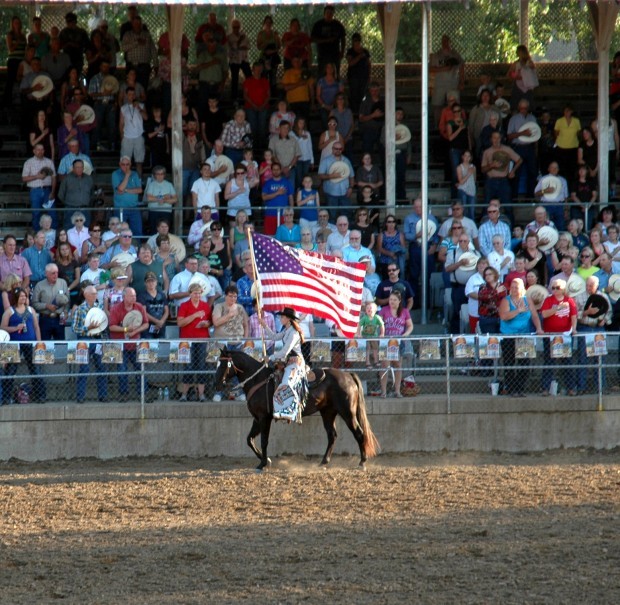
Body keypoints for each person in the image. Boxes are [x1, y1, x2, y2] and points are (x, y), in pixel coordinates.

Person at [259, 307, 307, 422]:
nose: (280, 318)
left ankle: (290, 410)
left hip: (295, 363)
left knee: (286, 383)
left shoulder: (294, 333)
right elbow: (274, 337)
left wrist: (270, 357)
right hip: (288, 362)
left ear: (288, 319)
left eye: (282, 317)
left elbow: (284, 351)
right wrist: (264, 325)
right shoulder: (286, 330)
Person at [498, 277, 543, 396]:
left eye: (516, 287)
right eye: (512, 287)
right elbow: (504, 316)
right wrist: (518, 310)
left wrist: (538, 328)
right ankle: (512, 389)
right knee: (509, 363)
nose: (513, 289)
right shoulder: (506, 301)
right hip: (508, 336)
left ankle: (519, 388)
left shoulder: (528, 300)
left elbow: (534, 316)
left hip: (524, 336)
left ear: (522, 288)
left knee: (525, 363)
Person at [108, 287, 149, 401]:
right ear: (124, 296)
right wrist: (126, 329)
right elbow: (111, 327)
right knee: (122, 370)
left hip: (135, 344)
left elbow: (146, 324)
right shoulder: (116, 308)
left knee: (140, 369)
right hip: (119, 345)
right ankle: (123, 395)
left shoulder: (139, 307)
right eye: (131, 296)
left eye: (135, 296)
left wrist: (135, 331)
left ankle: (143, 394)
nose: (134, 298)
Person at [540, 279, 577, 396]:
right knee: (548, 362)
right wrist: (556, 308)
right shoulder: (548, 300)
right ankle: (545, 388)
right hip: (550, 335)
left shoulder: (569, 300)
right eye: (553, 287)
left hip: (565, 335)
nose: (555, 290)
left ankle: (571, 387)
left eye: (558, 287)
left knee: (567, 361)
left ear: (563, 289)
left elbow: (573, 316)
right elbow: (544, 314)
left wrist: (574, 328)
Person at [72, 284, 108, 403]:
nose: (95, 295)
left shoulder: (100, 307)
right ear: (86, 295)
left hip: (98, 340)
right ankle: (80, 396)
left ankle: (103, 396)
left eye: (96, 294)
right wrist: (88, 328)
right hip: (84, 341)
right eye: (93, 294)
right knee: (84, 369)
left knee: (102, 368)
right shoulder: (80, 309)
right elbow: (75, 328)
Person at [575, 275, 612, 394]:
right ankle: (581, 387)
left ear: (597, 285)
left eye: (591, 285)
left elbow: (609, 311)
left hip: (598, 329)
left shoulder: (604, 296)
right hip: (584, 327)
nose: (589, 287)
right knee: (583, 359)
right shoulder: (579, 296)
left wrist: (604, 320)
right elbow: (574, 314)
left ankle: (601, 387)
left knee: (600, 358)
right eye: (587, 285)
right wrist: (587, 312)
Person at [211, 286, 249, 401]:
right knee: (223, 368)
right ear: (225, 296)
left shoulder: (241, 308)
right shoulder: (219, 307)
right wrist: (229, 315)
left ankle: (238, 392)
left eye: (235, 296)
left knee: (236, 369)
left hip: (237, 343)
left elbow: (246, 325)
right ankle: (219, 392)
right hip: (223, 345)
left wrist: (245, 340)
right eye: (230, 296)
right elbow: (216, 322)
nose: (233, 298)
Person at [176, 282, 212, 402]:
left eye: (199, 293)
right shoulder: (184, 305)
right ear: (190, 294)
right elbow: (180, 323)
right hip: (187, 341)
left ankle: (201, 395)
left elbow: (210, 322)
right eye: (195, 293)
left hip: (202, 339)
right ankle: (184, 394)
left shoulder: (205, 305)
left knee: (202, 366)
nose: (197, 295)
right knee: (188, 367)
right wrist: (195, 315)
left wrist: (205, 324)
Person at [378, 291, 414, 398]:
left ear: (399, 301)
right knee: (385, 365)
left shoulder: (405, 311)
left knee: (398, 365)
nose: (391, 302)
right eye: (390, 299)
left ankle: (397, 391)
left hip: (399, 342)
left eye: (394, 300)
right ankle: (383, 391)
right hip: (386, 342)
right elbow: (377, 322)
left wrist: (405, 334)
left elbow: (410, 326)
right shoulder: (384, 310)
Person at [430, 35, 465, 126]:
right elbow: (431, 69)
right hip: (440, 84)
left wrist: (461, 82)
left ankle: (455, 124)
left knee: (455, 105)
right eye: (443, 41)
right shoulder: (437, 55)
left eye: (447, 41)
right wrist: (444, 69)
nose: (445, 43)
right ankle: (437, 125)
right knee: (437, 105)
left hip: (453, 84)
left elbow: (461, 67)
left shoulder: (455, 54)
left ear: (450, 42)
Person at [481, 131, 522, 207]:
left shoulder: (507, 149)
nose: (496, 140)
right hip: (490, 181)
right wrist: (491, 165)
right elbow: (483, 170)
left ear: (501, 139)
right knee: (486, 205)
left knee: (508, 206)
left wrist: (512, 171)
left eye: (498, 138)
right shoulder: (487, 152)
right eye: (494, 138)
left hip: (504, 181)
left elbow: (519, 160)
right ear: (491, 139)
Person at [22, 143, 56, 231]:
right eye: (38, 149)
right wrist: (37, 177)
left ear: (44, 151)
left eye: (42, 149)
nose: (40, 151)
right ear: (34, 151)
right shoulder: (28, 162)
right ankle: (37, 234)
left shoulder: (49, 162)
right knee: (36, 213)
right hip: (35, 191)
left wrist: (53, 192)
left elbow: (54, 178)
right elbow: (24, 178)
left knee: (52, 213)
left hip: (47, 191)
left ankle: (53, 235)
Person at [31, 263, 69, 341]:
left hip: (59, 319)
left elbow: (68, 300)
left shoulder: (63, 283)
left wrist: (65, 312)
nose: (55, 275)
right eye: (53, 273)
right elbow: (34, 303)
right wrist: (46, 306)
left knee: (60, 345)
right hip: (45, 319)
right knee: (45, 345)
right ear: (46, 274)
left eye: (57, 272)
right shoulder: (39, 285)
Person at [57, 160, 94, 229]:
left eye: (81, 167)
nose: (79, 169)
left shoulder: (89, 179)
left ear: (83, 168)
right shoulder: (67, 179)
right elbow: (60, 195)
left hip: (85, 209)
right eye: (77, 167)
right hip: (70, 209)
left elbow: (92, 193)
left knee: (85, 231)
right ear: (73, 168)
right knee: (70, 230)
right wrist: (69, 203)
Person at [119, 87, 147, 178]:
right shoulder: (123, 108)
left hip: (138, 136)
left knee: (139, 161)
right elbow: (121, 123)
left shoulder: (141, 106)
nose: (132, 96)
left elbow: (146, 117)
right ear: (126, 96)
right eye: (130, 94)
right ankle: (126, 181)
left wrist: (139, 108)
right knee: (126, 162)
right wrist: (122, 137)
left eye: (133, 94)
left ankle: (139, 180)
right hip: (127, 137)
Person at [311, 6, 346, 78]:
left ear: (333, 14)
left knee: (336, 73)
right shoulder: (318, 25)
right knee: (322, 73)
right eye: (327, 13)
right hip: (323, 54)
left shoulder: (338, 25)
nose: (329, 15)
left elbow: (343, 39)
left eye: (331, 13)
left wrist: (342, 51)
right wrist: (326, 40)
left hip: (335, 54)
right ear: (324, 13)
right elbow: (313, 39)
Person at [112, 157, 143, 236]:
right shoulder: (115, 174)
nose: (125, 166)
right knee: (119, 232)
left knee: (137, 232)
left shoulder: (135, 174)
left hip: (134, 207)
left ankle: (136, 247)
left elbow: (140, 190)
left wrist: (126, 190)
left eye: (127, 164)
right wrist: (127, 176)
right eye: (123, 164)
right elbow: (120, 189)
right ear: (119, 164)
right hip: (120, 208)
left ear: (130, 165)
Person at [262, 162, 294, 236]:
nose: (276, 171)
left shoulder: (286, 182)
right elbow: (264, 197)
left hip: (284, 215)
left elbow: (291, 197)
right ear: (271, 170)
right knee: (270, 237)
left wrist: (291, 211)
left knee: (284, 237)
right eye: (274, 169)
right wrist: (277, 193)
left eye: (278, 169)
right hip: (270, 214)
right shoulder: (268, 183)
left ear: (281, 170)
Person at [144, 166, 177, 233]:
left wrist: (163, 200)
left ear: (164, 175)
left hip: (166, 212)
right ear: (154, 175)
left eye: (161, 174)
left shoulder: (169, 185)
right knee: (153, 231)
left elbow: (175, 199)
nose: (160, 176)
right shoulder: (151, 185)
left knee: (166, 232)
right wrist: (164, 197)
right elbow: (148, 198)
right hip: (154, 211)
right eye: (158, 174)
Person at [345, 33, 371, 114]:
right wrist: (359, 56)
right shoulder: (350, 51)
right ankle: (354, 112)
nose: (356, 42)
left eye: (358, 40)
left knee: (362, 94)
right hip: (353, 77)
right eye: (355, 41)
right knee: (354, 94)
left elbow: (369, 63)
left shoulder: (365, 51)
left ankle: (362, 111)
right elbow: (351, 63)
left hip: (364, 76)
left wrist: (369, 75)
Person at [477, 266, 507, 334]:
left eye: (490, 274)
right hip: (487, 319)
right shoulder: (483, 287)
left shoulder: (502, 286)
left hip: (501, 318)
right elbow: (484, 297)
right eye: (486, 275)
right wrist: (496, 292)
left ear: (495, 275)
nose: (487, 276)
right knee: (491, 341)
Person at [507, 44, 538, 110]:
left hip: (528, 87)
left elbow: (533, 73)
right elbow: (509, 75)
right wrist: (514, 76)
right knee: (516, 105)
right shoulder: (516, 64)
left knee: (528, 105)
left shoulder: (530, 63)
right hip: (518, 87)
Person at [256, 15, 281, 95]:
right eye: (267, 22)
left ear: (272, 23)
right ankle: (264, 94)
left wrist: (273, 50)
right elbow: (258, 46)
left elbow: (279, 46)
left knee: (273, 77)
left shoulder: (274, 34)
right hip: (264, 57)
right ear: (264, 23)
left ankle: (273, 96)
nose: (268, 24)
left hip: (273, 58)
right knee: (264, 76)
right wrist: (265, 45)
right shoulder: (261, 34)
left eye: (270, 22)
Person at [227, 19, 251, 102]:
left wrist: (238, 47)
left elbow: (248, 46)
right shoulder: (229, 37)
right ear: (232, 27)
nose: (236, 29)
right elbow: (232, 48)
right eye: (234, 27)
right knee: (234, 79)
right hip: (234, 60)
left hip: (244, 59)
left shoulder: (244, 35)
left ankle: (250, 94)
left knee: (249, 77)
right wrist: (239, 44)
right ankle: (234, 98)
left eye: (238, 27)